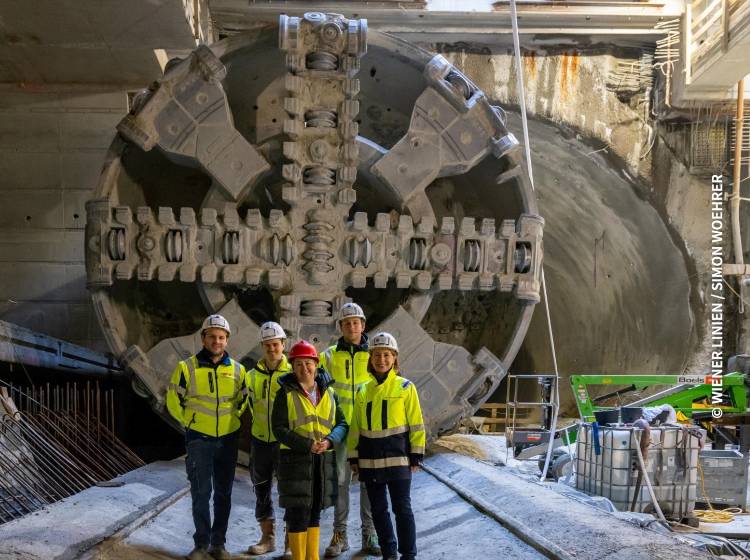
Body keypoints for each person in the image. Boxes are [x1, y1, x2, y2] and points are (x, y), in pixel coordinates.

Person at [166, 314, 250, 560]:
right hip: (199, 439)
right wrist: (189, 422)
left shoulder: (238, 370)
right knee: (201, 492)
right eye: (212, 336)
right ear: (203, 338)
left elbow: (243, 400)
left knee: (224, 493)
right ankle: (201, 544)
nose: (217, 341)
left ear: (227, 341)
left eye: (221, 337)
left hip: (227, 439)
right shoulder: (186, 368)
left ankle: (218, 544)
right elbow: (173, 400)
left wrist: (232, 420)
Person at [347, 332, 425, 560]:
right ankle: (389, 554)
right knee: (379, 511)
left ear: (394, 359)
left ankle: (408, 554)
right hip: (370, 461)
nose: (382, 359)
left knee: (402, 509)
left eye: (387, 355)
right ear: (371, 358)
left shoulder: (405, 388)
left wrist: (416, 455)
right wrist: (354, 458)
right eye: (378, 355)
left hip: (399, 459)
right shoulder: (362, 391)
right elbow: (355, 428)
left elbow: (417, 423)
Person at [272, 340, 348, 560]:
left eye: (308, 363)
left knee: (315, 510)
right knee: (297, 513)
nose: (304, 368)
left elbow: (342, 423)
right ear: (292, 367)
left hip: (322, 461)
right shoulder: (285, 393)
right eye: (298, 364)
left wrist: (330, 441)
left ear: (316, 364)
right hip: (295, 461)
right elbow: (279, 428)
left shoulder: (330, 392)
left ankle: (312, 557)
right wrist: (308, 445)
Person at [319, 302, 379, 557]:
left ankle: (370, 534)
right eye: (347, 323)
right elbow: (319, 391)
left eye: (356, 322)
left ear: (363, 326)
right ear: (340, 327)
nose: (352, 326)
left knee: (369, 483)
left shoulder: (375, 354)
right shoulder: (329, 356)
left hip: (367, 429)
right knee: (340, 483)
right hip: (341, 429)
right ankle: (339, 535)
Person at [246, 321, 291, 555]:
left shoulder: (293, 374)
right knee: (261, 489)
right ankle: (267, 538)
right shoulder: (252, 376)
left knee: (288, 491)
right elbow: (245, 404)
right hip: (260, 441)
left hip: (285, 443)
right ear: (262, 346)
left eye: (275, 344)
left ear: (283, 344)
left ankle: (290, 543)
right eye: (267, 345)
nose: (272, 349)